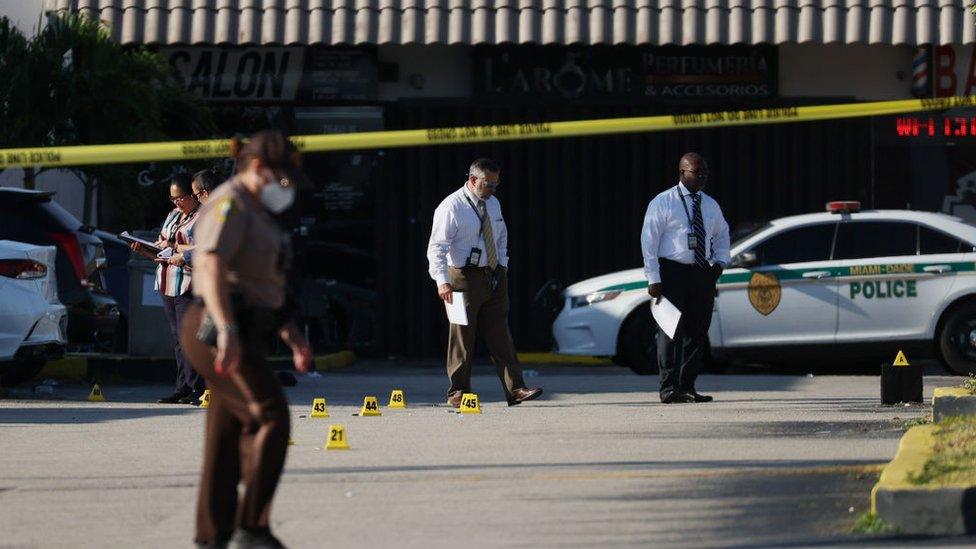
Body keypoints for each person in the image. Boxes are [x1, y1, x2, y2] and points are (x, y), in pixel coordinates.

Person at [179, 130, 313, 549]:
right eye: (283, 177)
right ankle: (252, 529)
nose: (287, 188)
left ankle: (212, 536)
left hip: (244, 325)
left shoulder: (257, 209)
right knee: (270, 415)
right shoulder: (231, 202)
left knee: (226, 434)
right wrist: (227, 331)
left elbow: (261, 282)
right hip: (216, 327)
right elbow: (213, 265)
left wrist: (290, 333)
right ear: (258, 168)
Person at [426, 158, 543, 408]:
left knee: (501, 333)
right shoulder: (452, 206)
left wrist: (503, 266)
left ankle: (516, 389)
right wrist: (442, 282)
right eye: (488, 185)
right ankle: (458, 392)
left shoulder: (494, 203)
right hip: (461, 276)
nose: (492, 190)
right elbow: (437, 247)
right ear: (472, 180)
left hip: (493, 275)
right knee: (462, 335)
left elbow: (501, 238)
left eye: (496, 185)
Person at [641, 153, 730, 404]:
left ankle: (687, 387)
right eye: (696, 172)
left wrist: (720, 263)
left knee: (697, 331)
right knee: (670, 331)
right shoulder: (664, 202)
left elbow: (722, 234)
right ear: (682, 173)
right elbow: (649, 241)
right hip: (672, 273)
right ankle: (668, 388)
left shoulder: (710, 204)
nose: (702, 177)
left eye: (704, 173)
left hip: (702, 272)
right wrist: (653, 277)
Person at [131, 173, 205, 405]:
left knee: (189, 337)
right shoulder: (173, 215)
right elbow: (161, 247)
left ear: (193, 195)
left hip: (188, 282)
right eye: (173, 199)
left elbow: (203, 247)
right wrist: (144, 250)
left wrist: (174, 247)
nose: (176, 203)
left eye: (180, 198)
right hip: (167, 280)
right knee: (177, 338)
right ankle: (182, 387)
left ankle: (198, 388)